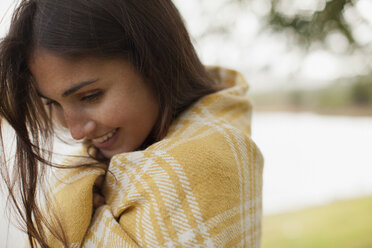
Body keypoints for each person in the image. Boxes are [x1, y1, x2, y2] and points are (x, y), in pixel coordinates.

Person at [0, 0, 264, 247]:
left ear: (155, 62)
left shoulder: (207, 162)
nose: (76, 132)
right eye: (53, 104)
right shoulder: (96, 168)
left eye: (90, 96)